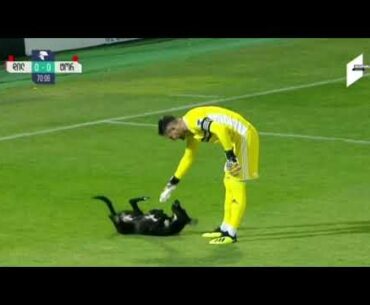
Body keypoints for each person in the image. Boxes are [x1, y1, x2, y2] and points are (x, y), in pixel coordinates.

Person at [157, 105, 259, 245]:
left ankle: (232, 233)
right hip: (237, 141)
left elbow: (219, 128)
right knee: (228, 181)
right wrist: (173, 183)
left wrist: (230, 157)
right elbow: (189, 157)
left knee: (236, 183)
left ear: (173, 129)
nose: (173, 139)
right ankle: (225, 229)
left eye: (171, 136)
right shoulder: (192, 131)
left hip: (245, 138)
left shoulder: (193, 121)